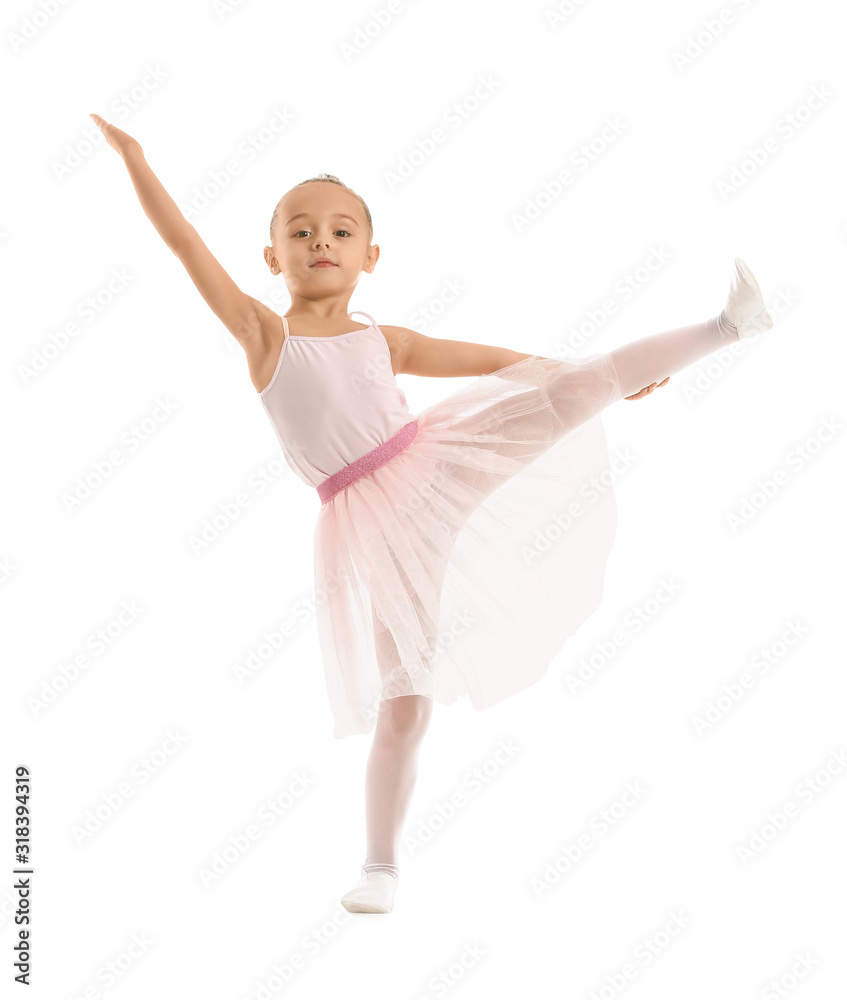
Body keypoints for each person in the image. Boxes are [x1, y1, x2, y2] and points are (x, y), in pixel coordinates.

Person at [89, 113, 774, 914]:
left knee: (574, 387)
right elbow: (183, 244)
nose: (320, 241)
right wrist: (136, 158)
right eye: (300, 232)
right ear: (271, 258)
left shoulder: (384, 337)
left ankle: (728, 325)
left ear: (369, 257)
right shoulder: (262, 334)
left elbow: (494, 361)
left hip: (439, 463)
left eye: (340, 231)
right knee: (405, 696)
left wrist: (595, 378)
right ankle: (378, 869)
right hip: (373, 524)